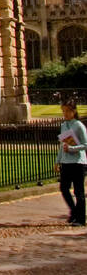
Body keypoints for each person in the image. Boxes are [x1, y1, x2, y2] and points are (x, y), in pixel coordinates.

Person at [56, 96, 87, 227]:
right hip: (66, 162)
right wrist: (58, 161)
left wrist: (72, 148)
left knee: (78, 191)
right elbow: (62, 145)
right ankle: (74, 212)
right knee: (63, 188)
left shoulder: (79, 125)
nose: (65, 114)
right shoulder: (63, 125)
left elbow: (85, 144)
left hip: (78, 162)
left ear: (73, 111)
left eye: (67, 111)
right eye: (63, 111)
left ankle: (80, 218)